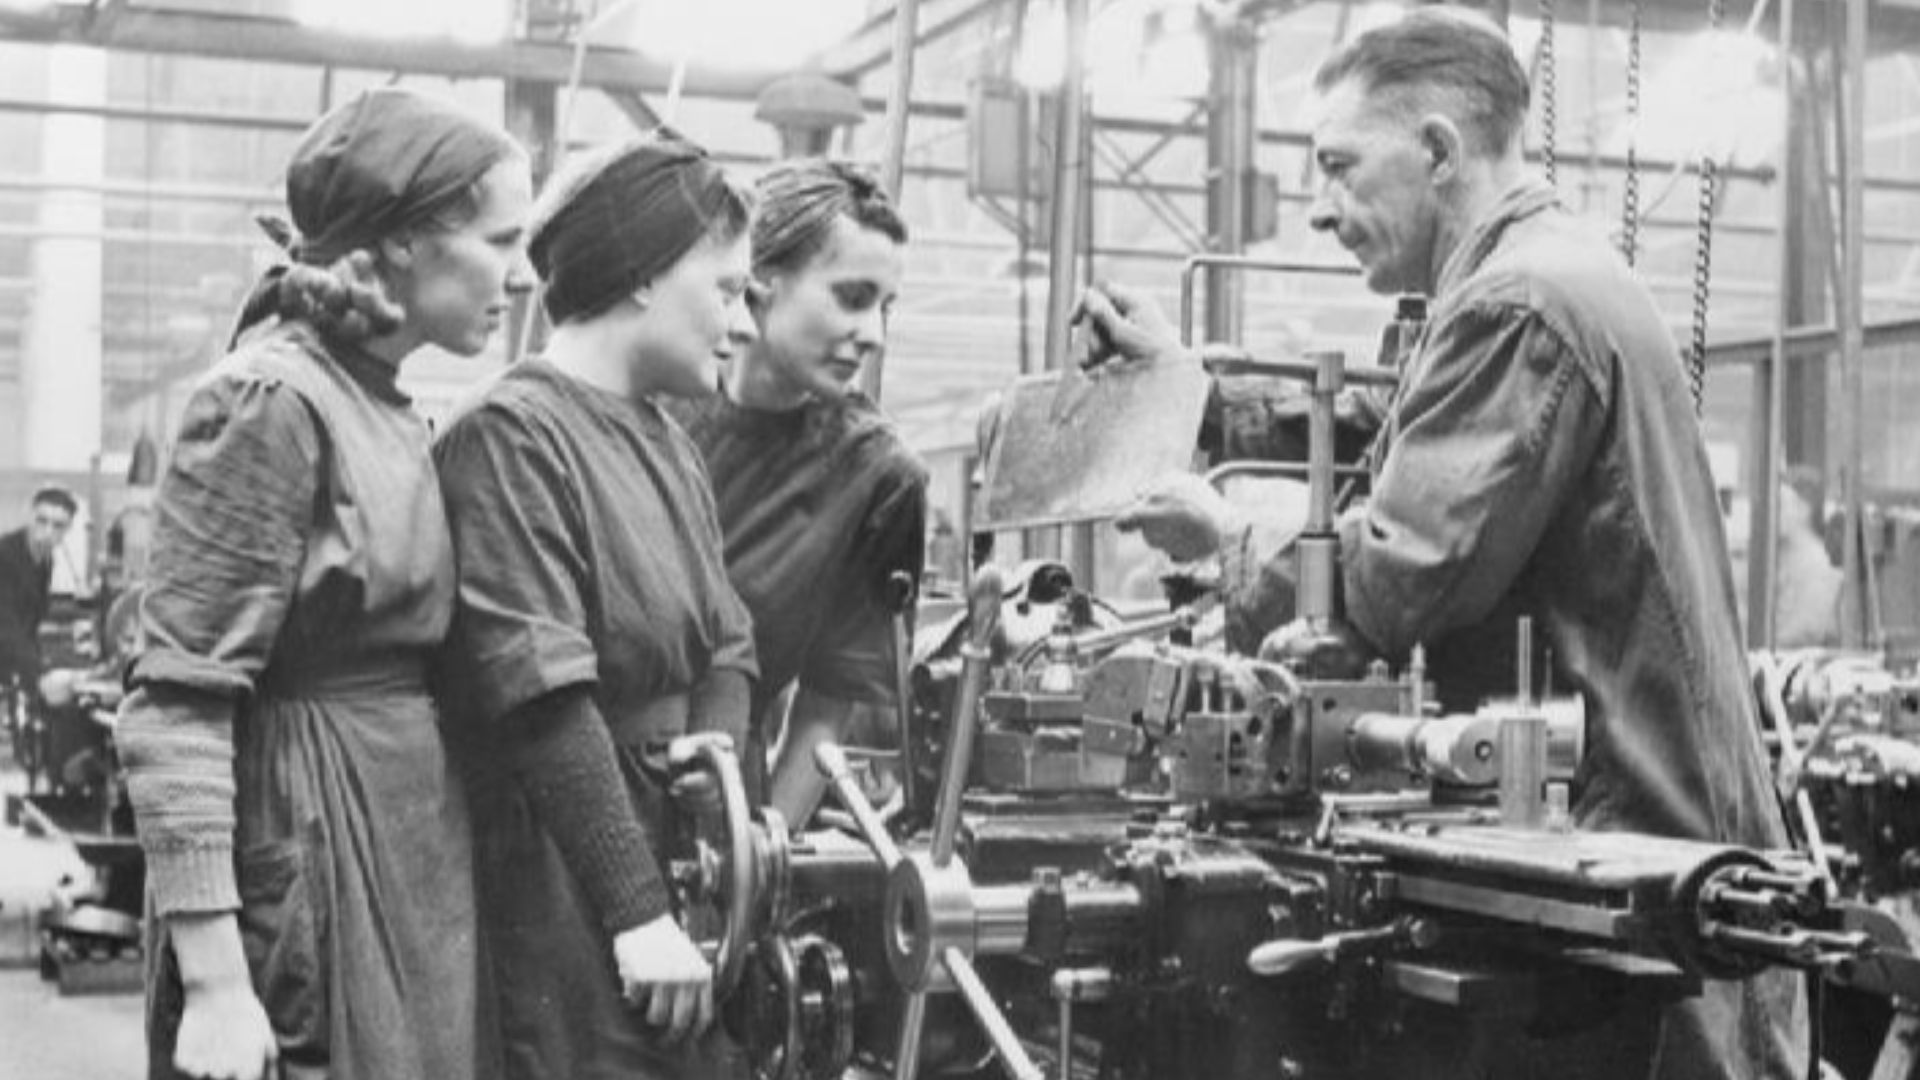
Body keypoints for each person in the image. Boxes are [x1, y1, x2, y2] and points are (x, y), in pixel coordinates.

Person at [1086, 9, 1802, 1077]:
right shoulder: (1534, 274)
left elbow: (1398, 579)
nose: (1318, 208)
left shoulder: (1520, 303)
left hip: (1630, 891)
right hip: (1634, 862)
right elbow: (1395, 436)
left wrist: (1228, 537)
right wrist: (1192, 394)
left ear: (1435, 149)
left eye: (1338, 166)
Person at [116, 87, 531, 1080]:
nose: (520, 275)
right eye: (500, 241)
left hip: (398, 841)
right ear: (401, 245)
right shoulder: (268, 401)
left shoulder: (383, 405)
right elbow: (174, 707)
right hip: (307, 841)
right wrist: (216, 983)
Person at [433, 132, 759, 1080]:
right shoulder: (511, 437)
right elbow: (542, 695)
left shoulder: (670, 443)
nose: (741, 325)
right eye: (728, 290)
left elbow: (728, 645)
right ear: (644, 273)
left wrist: (710, 831)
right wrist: (637, 910)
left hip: (669, 856)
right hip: (562, 875)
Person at [667, 158, 926, 827]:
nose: (874, 335)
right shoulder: (651, 407)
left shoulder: (878, 477)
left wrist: (761, 850)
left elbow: (825, 709)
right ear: (758, 280)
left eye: (885, 307)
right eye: (852, 297)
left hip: (727, 796)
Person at [0, 485, 78, 694]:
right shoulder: (4, 556)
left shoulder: (45, 561)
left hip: (14, 660)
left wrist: (42, 665)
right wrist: (39, 673)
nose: (48, 531)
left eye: (58, 526)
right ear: (29, 516)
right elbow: (5, 627)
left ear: (67, 529)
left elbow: (29, 624)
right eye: (42, 521)